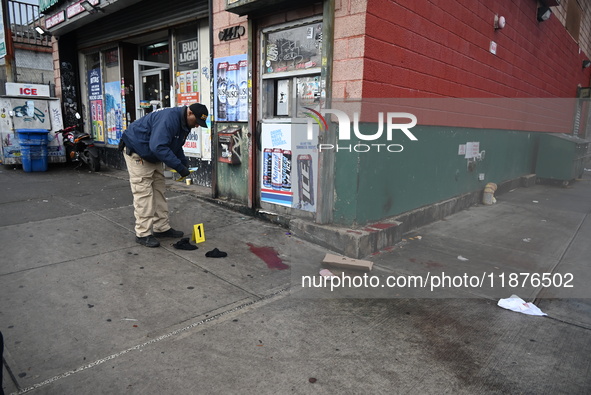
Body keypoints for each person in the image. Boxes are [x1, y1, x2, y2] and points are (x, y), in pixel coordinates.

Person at [120, 103, 208, 247]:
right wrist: (179, 167)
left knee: (159, 190)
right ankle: (143, 233)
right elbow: (158, 146)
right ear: (190, 113)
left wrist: (183, 162)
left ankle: (161, 227)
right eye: (197, 122)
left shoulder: (184, 123)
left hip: (152, 153)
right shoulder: (169, 119)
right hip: (138, 152)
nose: (197, 126)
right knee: (144, 193)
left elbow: (176, 145)